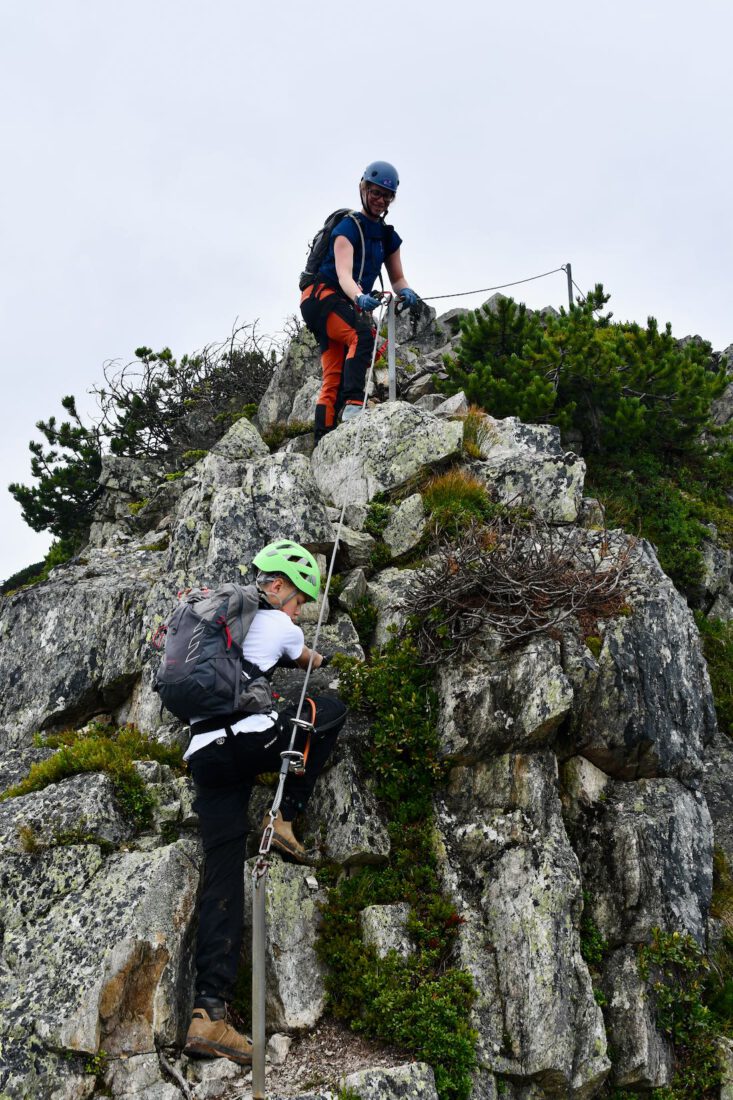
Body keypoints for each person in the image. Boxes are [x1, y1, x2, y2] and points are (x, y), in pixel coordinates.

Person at [183, 539, 347, 1065]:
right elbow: (309, 659)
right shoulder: (275, 620)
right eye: (298, 598)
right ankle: (283, 817)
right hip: (248, 739)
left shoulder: (217, 625)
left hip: (204, 755)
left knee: (223, 874)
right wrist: (322, 653)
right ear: (275, 585)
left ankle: (208, 1016)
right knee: (326, 707)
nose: (298, 609)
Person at [300, 160, 420, 444]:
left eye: (386, 196)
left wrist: (408, 291)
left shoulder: (388, 238)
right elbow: (343, 275)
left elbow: (398, 279)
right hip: (322, 297)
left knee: (334, 373)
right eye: (375, 192)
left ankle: (323, 441)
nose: (380, 200)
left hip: (343, 303)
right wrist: (359, 297)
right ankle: (354, 407)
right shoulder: (347, 228)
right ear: (364, 189)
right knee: (362, 334)